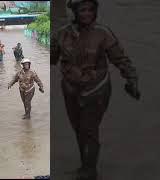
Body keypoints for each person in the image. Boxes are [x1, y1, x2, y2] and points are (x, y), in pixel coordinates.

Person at [52, 0, 141, 179]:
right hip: (70, 90)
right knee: (78, 129)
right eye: (82, 10)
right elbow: (52, 58)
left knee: (89, 130)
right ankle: (84, 165)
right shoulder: (61, 34)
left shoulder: (103, 33)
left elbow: (121, 59)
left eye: (90, 10)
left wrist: (132, 80)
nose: (87, 14)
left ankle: (89, 170)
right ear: (75, 12)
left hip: (97, 90)